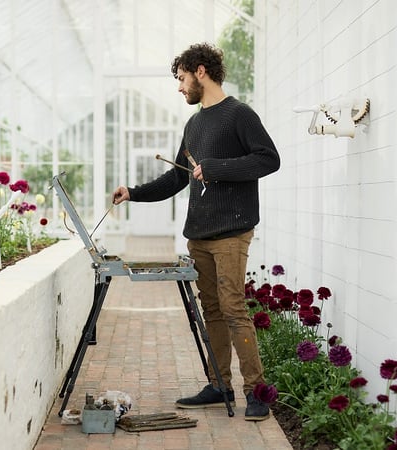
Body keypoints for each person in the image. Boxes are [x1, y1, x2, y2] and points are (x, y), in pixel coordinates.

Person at [112, 43, 280, 421]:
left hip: (232, 232)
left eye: (182, 79)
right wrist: (133, 193)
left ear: (200, 72)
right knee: (213, 311)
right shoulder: (194, 124)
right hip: (199, 235)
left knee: (234, 308)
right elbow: (177, 176)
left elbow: (269, 159)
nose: (179, 87)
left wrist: (217, 167)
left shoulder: (240, 115)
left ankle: (258, 393)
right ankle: (220, 385)